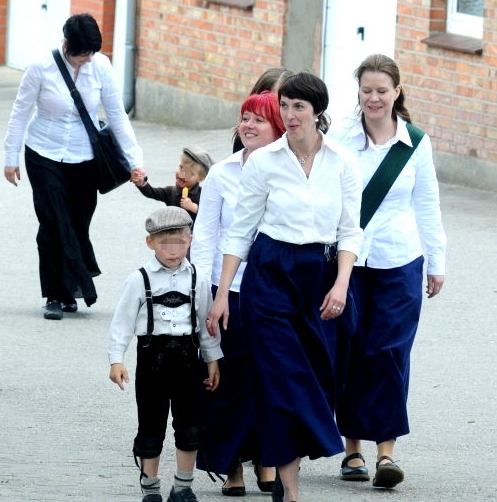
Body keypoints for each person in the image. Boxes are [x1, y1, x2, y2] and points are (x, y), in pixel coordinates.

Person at [207, 72, 363, 502]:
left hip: (321, 273)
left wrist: (342, 286)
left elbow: (351, 231)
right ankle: (291, 492)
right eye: (286, 106)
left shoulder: (343, 161)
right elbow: (240, 232)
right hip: (270, 273)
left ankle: (287, 479)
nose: (289, 115)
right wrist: (221, 295)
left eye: (299, 107)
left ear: (318, 112)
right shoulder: (263, 161)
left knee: (314, 375)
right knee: (281, 377)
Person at [327, 53, 447, 489]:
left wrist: (437, 262)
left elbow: (427, 205)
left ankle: (386, 453)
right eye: (366, 90)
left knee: (391, 352)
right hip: (348, 263)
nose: (373, 98)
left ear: (397, 91)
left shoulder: (416, 142)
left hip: (400, 260)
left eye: (382, 90)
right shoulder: (338, 136)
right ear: (358, 93)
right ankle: (352, 448)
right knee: (352, 350)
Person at [3, 13, 145, 320]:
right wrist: (10, 157)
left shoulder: (101, 67)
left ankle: (70, 292)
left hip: (85, 159)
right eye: (79, 55)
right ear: (66, 44)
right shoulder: (41, 67)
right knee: (54, 222)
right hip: (43, 153)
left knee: (78, 224)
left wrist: (136, 161)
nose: (84, 61)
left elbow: (118, 115)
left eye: (89, 55)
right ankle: (54, 294)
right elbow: (20, 112)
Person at [191, 91, 285, 496]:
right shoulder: (223, 173)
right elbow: (205, 235)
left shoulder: (290, 171)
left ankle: (266, 459)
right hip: (225, 290)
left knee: (267, 380)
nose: (247, 125)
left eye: (258, 120)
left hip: (273, 291)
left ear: (278, 128)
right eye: (244, 118)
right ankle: (231, 466)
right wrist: (207, 292)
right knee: (226, 379)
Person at [108, 206, 223, 502]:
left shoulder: (198, 278)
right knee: (150, 424)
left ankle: (183, 487)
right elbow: (121, 324)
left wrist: (212, 360)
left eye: (180, 244)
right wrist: (116, 359)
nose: (173, 252)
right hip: (151, 362)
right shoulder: (139, 280)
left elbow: (205, 323)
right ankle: (150, 489)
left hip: (188, 360)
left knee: (190, 424)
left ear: (190, 241)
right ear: (150, 243)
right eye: (164, 245)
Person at [134, 147, 213, 223]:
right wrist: (142, 183)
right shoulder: (171, 191)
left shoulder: (203, 194)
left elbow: (210, 214)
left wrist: (194, 207)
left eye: (189, 173)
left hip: (193, 234)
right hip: (172, 233)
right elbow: (153, 193)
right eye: (181, 167)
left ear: (200, 178)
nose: (182, 174)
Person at [231, 67, 293, 152]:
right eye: (264, 97)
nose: (270, 104)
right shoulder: (245, 138)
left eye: (278, 102)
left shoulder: (300, 144)